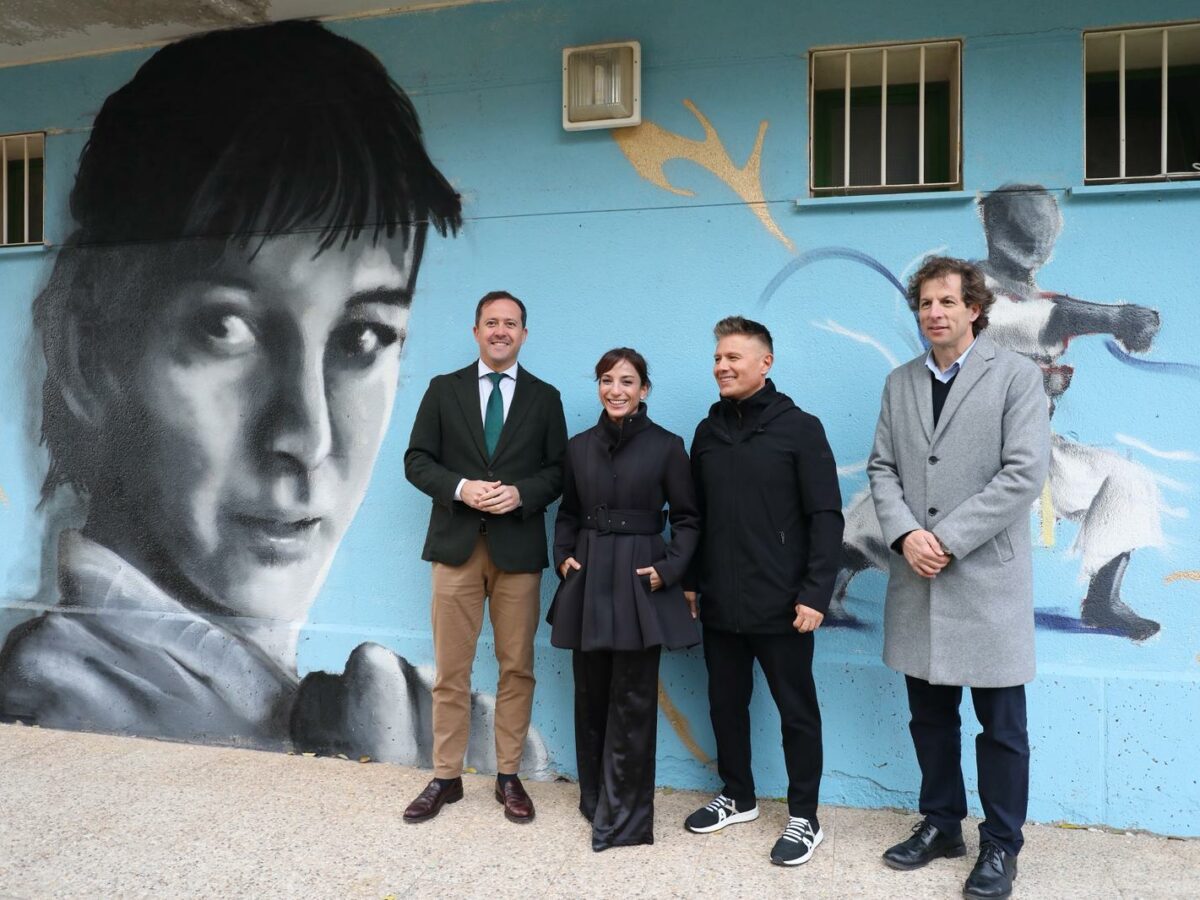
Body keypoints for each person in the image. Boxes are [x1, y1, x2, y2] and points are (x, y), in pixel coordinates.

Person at [0, 20, 524, 766]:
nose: (306, 435)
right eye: (225, 327)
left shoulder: (261, 705)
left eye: (363, 339)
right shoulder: (66, 707)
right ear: (88, 351)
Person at [867, 256, 1050, 899]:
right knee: (930, 717)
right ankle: (942, 823)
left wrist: (944, 538)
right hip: (917, 574)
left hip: (985, 579)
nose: (934, 313)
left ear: (974, 308)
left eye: (947, 301)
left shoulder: (1016, 377)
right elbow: (882, 469)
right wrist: (905, 535)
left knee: (1001, 725)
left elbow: (1024, 473)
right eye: (924, 304)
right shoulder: (899, 383)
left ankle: (1002, 845)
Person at [683, 316, 843, 867]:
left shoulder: (800, 428)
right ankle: (738, 795)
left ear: (765, 363)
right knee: (725, 704)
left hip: (784, 605)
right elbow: (694, 516)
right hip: (720, 601)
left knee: (796, 711)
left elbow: (826, 516)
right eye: (718, 359)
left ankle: (805, 817)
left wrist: (816, 592)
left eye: (734, 358)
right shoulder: (707, 433)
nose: (722, 367)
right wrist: (691, 580)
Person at [403, 291, 567, 824]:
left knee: (516, 667)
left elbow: (559, 471)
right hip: (456, 548)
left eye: (511, 323)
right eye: (491, 322)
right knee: (452, 669)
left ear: (524, 334)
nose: (501, 331)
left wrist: (522, 494)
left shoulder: (545, 398)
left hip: (517, 549)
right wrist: (458, 487)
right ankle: (446, 777)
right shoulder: (443, 390)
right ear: (476, 331)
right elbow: (416, 460)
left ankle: (508, 776)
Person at [549, 348, 700, 851]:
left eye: (627, 381)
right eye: (607, 380)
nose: (616, 390)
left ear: (644, 390)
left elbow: (688, 518)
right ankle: (595, 801)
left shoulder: (667, 447)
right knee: (590, 695)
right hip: (589, 579)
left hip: (639, 581)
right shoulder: (578, 447)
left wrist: (669, 570)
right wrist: (563, 554)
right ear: (599, 386)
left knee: (632, 700)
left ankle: (627, 820)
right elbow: (568, 511)